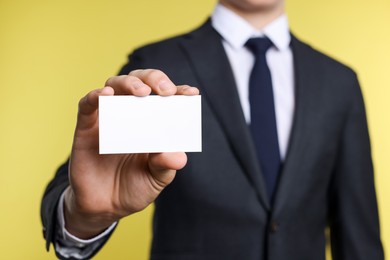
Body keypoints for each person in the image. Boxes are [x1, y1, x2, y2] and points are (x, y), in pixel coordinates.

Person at [41, 0, 384, 259]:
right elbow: (84, 185)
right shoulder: (158, 66)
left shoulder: (339, 82)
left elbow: (359, 236)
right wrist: (85, 215)